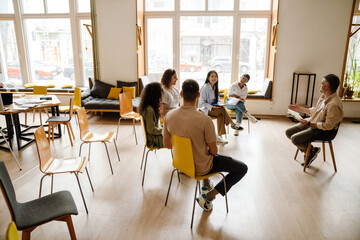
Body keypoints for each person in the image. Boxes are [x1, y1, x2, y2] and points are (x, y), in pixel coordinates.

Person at [163, 79, 248, 212]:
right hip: (202, 168)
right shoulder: (205, 120)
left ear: (181, 94)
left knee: (203, 152)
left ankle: (206, 184)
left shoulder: (169, 116)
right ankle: (208, 197)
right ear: (198, 95)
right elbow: (213, 151)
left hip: (180, 164)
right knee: (242, 168)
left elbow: (167, 145)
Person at [285, 74, 343, 167]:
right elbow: (315, 111)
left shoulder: (334, 104)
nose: (320, 85)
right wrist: (299, 109)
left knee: (295, 138)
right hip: (313, 123)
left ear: (327, 86)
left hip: (323, 131)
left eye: (321, 83)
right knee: (288, 132)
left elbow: (328, 126)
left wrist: (309, 124)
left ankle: (309, 152)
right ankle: (311, 151)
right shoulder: (323, 97)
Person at [198, 70, 238, 144]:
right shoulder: (205, 87)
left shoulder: (215, 87)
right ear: (208, 78)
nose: (214, 78)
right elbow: (201, 103)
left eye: (215, 76)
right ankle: (232, 123)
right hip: (205, 109)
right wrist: (212, 107)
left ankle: (220, 137)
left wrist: (218, 104)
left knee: (221, 115)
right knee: (222, 110)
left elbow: (218, 100)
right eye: (212, 76)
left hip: (214, 108)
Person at [139, 82, 164, 148]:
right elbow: (151, 130)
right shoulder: (149, 110)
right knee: (176, 139)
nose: (161, 95)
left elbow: (154, 126)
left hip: (154, 137)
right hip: (154, 140)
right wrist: (164, 130)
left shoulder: (150, 107)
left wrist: (164, 126)